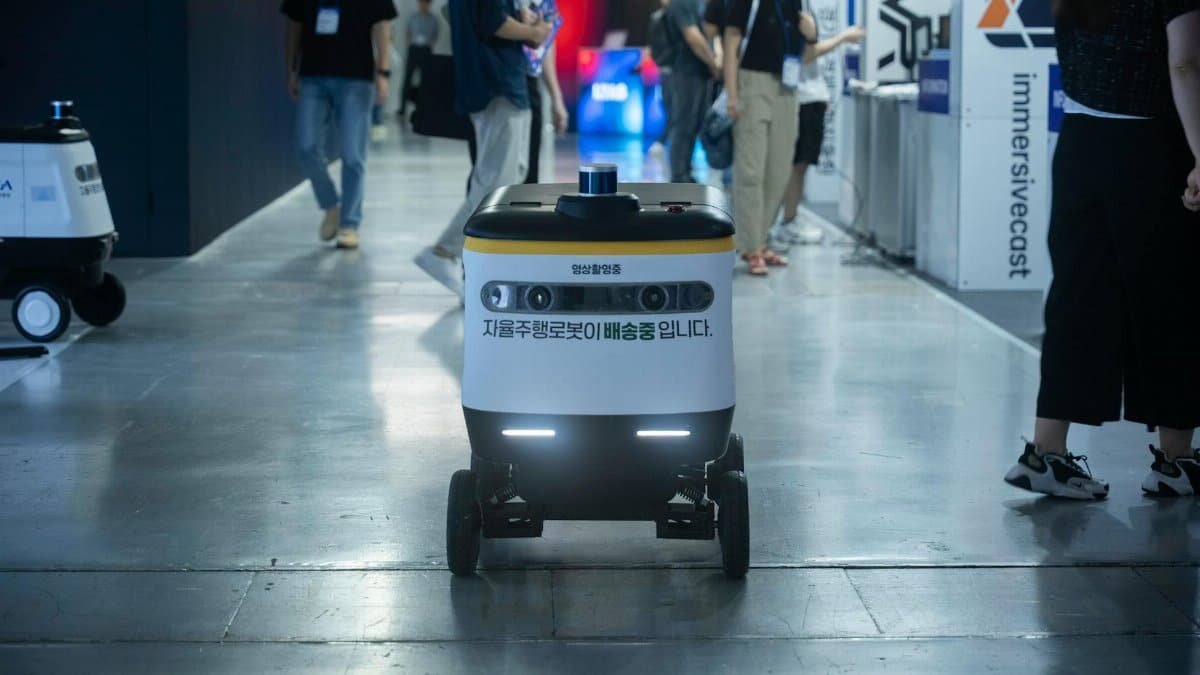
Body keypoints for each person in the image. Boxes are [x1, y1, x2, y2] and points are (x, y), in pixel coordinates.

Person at [1003, 0, 1200, 499]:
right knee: (1168, 300)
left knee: (1077, 297)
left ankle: (1047, 452)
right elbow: (1184, 61)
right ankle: (1177, 459)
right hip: (1150, 144)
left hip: (1079, 142)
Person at [414, 0, 552, 298]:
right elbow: (493, 22)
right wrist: (533, 30)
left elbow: (488, 16)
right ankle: (444, 251)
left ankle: (486, 260)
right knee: (495, 183)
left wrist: (523, 20)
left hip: (498, 82)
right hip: (497, 83)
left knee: (509, 175)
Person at [723, 0, 860, 275]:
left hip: (788, 87)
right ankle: (750, 246)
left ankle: (760, 240)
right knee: (751, 170)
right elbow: (731, 43)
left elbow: (806, 55)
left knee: (780, 168)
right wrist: (733, 94)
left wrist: (810, 34)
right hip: (753, 82)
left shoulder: (798, 3)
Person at [283, 0, 396, 250]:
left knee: (353, 155)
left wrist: (384, 72)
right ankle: (330, 205)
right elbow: (295, 24)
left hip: (357, 78)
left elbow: (382, 25)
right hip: (313, 76)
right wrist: (291, 67)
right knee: (305, 146)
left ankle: (350, 224)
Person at [771, 1, 848, 249]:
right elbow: (806, 55)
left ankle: (786, 219)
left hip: (809, 96)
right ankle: (788, 221)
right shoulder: (792, 9)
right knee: (797, 165)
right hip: (803, 96)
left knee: (799, 165)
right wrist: (843, 37)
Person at [666, 0, 722, 183]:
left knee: (693, 124)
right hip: (685, 73)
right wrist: (713, 63)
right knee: (683, 124)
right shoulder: (682, 3)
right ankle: (678, 174)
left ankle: (685, 170)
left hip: (698, 73)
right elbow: (693, 36)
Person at [520, 2, 568, 184]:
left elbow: (545, 48)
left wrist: (556, 98)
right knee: (498, 174)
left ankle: (524, 212)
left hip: (530, 84)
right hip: (500, 82)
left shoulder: (546, 6)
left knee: (529, 169)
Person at [399, 0, 439, 118]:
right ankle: (402, 108)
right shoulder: (413, 17)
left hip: (425, 50)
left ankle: (422, 108)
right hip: (414, 49)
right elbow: (408, 32)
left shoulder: (433, 19)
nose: (423, 5)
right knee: (407, 79)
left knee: (425, 81)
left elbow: (435, 35)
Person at [647, 0, 675, 157]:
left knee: (678, 112)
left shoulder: (682, 13)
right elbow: (654, 47)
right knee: (670, 108)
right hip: (667, 70)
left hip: (682, 71)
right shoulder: (657, 18)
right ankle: (662, 140)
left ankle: (664, 141)